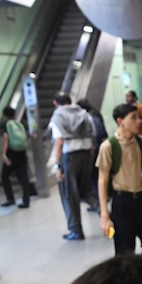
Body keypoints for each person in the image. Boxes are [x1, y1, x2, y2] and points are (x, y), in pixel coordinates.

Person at [96, 103, 142, 255]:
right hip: (122, 203)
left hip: (141, 200)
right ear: (120, 121)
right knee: (125, 252)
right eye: (133, 118)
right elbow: (102, 180)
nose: (138, 121)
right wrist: (104, 215)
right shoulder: (108, 146)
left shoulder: (141, 142)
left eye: (139, 117)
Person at [50, 91, 96, 241]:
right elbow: (92, 138)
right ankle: (105, 214)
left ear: (55, 103)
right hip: (86, 155)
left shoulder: (58, 116)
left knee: (70, 195)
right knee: (87, 191)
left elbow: (59, 142)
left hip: (69, 158)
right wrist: (89, 158)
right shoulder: (84, 114)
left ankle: (76, 230)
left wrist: (58, 166)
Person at [0, 106, 30, 209]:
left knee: (4, 176)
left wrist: (4, 154)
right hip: (22, 152)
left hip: (12, 153)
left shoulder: (6, 124)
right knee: (23, 177)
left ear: (4, 115)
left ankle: (10, 199)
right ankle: (26, 200)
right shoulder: (19, 124)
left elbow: (6, 139)